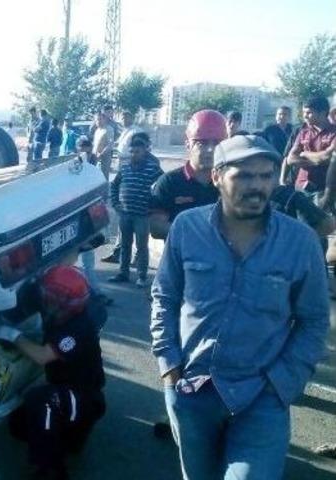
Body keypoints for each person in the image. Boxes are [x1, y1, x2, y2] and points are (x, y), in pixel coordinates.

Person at [151, 134, 330, 480]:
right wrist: (168, 364)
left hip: (261, 396)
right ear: (217, 177)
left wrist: (282, 383)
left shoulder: (300, 242)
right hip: (192, 389)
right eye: (245, 175)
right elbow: (165, 296)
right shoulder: (187, 228)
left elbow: (314, 320)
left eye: (266, 176)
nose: (257, 186)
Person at [0, 265, 107, 479]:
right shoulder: (69, 314)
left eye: (50, 297)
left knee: (40, 400)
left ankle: (51, 469)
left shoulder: (77, 328)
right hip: (72, 393)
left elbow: (42, 356)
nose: (45, 301)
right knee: (18, 426)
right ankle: (66, 439)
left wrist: (14, 336)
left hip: (84, 398)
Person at [149, 110, 227, 240]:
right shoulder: (170, 182)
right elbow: (156, 227)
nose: (210, 149)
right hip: (181, 252)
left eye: (217, 143)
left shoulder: (230, 183)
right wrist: (197, 236)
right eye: (202, 143)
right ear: (188, 144)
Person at [108, 135, 163, 287]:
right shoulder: (124, 167)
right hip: (125, 213)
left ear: (144, 151)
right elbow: (114, 185)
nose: (133, 155)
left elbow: (163, 185)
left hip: (142, 215)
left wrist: (154, 206)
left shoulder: (152, 168)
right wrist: (115, 203)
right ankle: (123, 273)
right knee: (125, 245)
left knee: (142, 247)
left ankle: (142, 276)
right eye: (131, 151)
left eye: (137, 152)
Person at [101, 110, 145, 264]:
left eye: (127, 116)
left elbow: (141, 153)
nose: (125, 119)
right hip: (124, 169)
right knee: (123, 217)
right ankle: (119, 252)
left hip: (132, 172)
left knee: (135, 220)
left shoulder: (136, 132)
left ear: (132, 117)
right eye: (123, 117)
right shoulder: (125, 131)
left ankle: (136, 256)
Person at [75, 136, 111, 306]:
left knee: (87, 262)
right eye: (82, 151)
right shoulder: (71, 172)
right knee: (72, 262)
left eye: (88, 151)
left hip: (87, 223)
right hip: (74, 222)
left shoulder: (93, 172)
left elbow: (101, 198)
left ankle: (94, 293)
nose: (85, 154)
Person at [287, 96, 336, 207]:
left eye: (309, 113)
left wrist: (305, 153)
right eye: (304, 112)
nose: (305, 116)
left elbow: (327, 157)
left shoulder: (334, 132)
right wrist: (316, 161)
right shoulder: (303, 132)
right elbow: (290, 159)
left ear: (322, 113)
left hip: (324, 191)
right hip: (301, 188)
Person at [93, 112, 114, 179]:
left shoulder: (108, 129)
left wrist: (101, 154)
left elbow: (110, 144)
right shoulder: (97, 131)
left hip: (105, 157)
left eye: (100, 119)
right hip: (95, 157)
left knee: (103, 177)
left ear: (104, 119)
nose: (98, 121)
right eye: (97, 120)